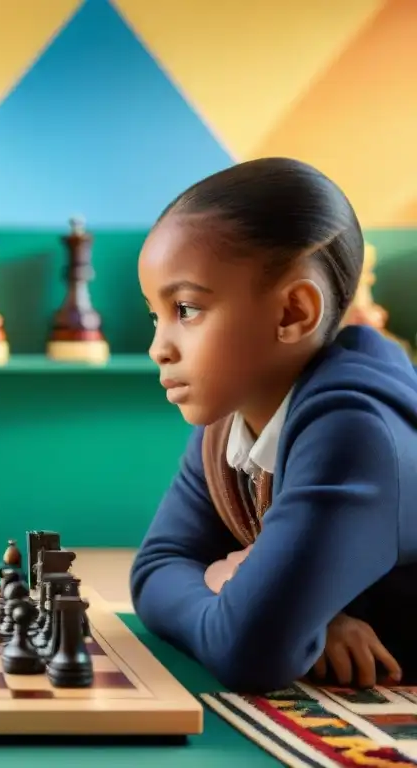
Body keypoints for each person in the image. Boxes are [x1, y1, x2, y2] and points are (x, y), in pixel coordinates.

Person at [129, 158, 417, 694]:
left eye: (187, 308)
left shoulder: (356, 432)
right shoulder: (229, 429)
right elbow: (155, 572)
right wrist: (285, 610)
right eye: (156, 314)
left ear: (293, 313)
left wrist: (229, 584)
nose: (158, 348)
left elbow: (247, 649)